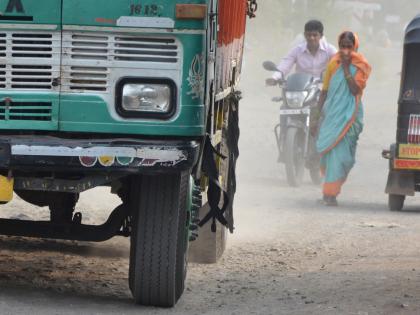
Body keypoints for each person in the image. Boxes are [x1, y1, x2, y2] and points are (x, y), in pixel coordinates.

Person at [315, 31, 372, 206]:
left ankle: (331, 193)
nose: (346, 50)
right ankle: (329, 194)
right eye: (343, 46)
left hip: (350, 115)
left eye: (349, 46)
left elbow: (355, 90)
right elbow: (325, 90)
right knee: (331, 155)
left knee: (344, 157)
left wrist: (347, 68)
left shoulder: (361, 65)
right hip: (332, 115)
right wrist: (317, 116)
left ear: (355, 46)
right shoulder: (333, 63)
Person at [272, 20, 337, 80]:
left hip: (323, 89)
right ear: (305, 35)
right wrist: (274, 78)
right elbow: (285, 65)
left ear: (321, 36)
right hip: (300, 88)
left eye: (315, 35)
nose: (311, 38)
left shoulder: (330, 50)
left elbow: (339, 65)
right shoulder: (296, 50)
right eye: (309, 35)